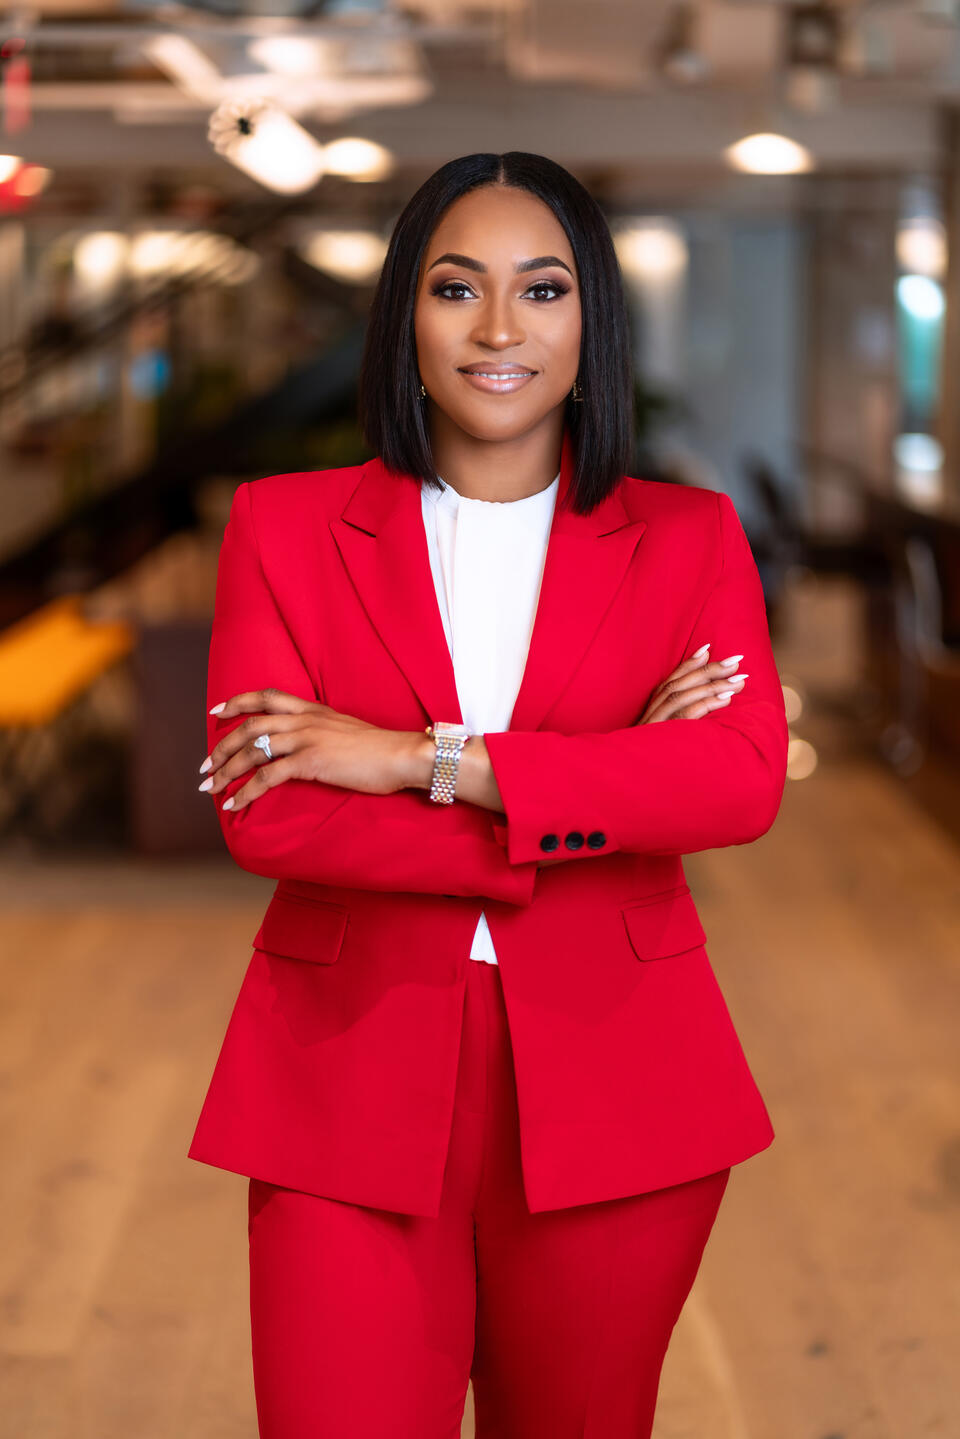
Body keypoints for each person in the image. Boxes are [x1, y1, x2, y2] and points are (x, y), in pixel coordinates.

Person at [188, 151, 788, 1439]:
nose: (502, 329)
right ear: (406, 313)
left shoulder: (690, 539)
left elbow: (736, 785)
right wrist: (603, 783)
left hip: (620, 1081)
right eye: (458, 288)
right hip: (340, 1080)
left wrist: (416, 757)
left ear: (594, 324)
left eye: (545, 288)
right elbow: (269, 809)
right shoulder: (283, 527)